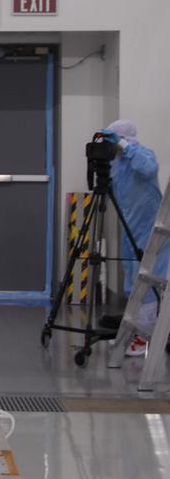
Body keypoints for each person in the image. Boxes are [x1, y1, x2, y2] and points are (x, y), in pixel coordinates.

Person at [105, 119, 168, 357]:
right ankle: (131, 332)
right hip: (130, 227)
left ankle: (143, 339)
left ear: (124, 139)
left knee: (147, 283)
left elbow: (148, 168)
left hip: (150, 227)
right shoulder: (117, 163)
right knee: (133, 280)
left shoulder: (142, 153)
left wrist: (125, 145)